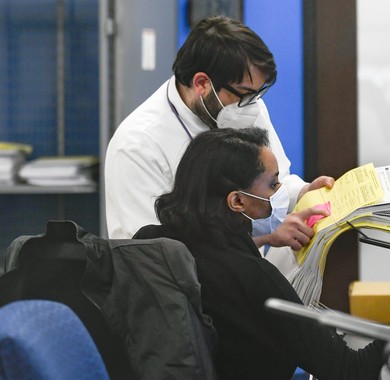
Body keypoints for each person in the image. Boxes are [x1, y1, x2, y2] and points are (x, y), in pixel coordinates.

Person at [133, 127, 384, 380]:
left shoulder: (148, 243)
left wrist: (264, 239)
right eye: (273, 184)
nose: (279, 192)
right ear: (237, 202)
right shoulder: (256, 279)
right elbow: (352, 373)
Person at [105, 15, 332, 251]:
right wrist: (262, 239)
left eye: (256, 94)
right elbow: (148, 253)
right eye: (244, 94)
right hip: (180, 284)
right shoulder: (137, 145)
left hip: (242, 273)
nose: (252, 105)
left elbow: (275, 182)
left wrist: (304, 192)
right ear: (202, 83)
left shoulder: (243, 107)